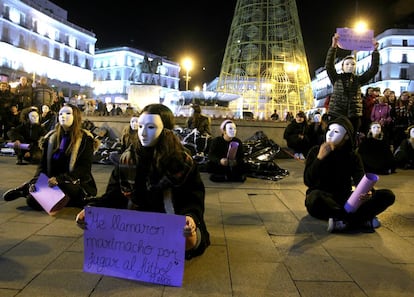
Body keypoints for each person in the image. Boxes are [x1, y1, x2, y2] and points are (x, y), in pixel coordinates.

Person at [75, 103, 210, 259]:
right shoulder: (127, 158)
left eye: (151, 127)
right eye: (140, 126)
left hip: (170, 217)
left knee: (190, 236)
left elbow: (193, 198)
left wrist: (190, 218)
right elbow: (114, 195)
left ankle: (186, 240)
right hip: (138, 220)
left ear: (165, 131)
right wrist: (93, 209)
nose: (143, 133)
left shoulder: (181, 160)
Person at [304, 116, 395, 233]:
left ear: (346, 136)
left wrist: (368, 192)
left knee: (387, 195)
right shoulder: (316, 151)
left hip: (345, 199)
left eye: (336, 131)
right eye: (329, 130)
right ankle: (360, 220)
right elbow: (308, 181)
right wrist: (319, 159)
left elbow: (361, 180)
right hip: (324, 199)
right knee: (314, 198)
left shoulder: (352, 156)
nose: (330, 134)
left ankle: (342, 220)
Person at [3, 103, 99, 211]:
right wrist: (36, 180)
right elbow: (42, 165)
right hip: (51, 181)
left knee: (65, 189)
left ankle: (30, 190)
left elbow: (83, 169)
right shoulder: (51, 138)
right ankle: (31, 189)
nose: (63, 116)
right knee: (31, 201)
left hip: (74, 182)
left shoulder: (85, 139)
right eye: (61, 114)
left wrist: (60, 179)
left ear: (76, 117)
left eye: (68, 113)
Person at [325, 33, 380, 138]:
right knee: (334, 139)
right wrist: (333, 46)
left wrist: (375, 51)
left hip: (353, 116)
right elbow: (329, 66)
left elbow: (373, 70)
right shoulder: (336, 78)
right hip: (336, 114)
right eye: (347, 64)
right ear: (342, 67)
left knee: (351, 140)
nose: (350, 66)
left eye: (353, 64)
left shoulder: (358, 80)